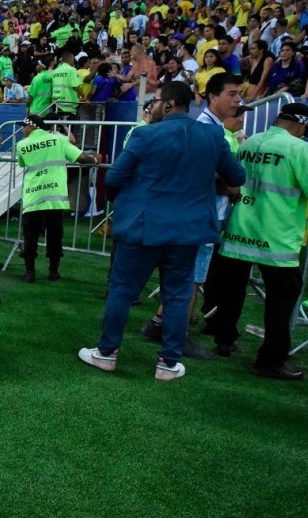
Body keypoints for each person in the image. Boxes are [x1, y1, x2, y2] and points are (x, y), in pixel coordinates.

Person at [78, 81, 245, 381]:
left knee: (122, 291)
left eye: (155, 101)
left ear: (168, 104)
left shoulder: (145, 134)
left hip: (142, 228)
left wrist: (125, 200)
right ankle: (168, 363)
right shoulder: (213, 135)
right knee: (177, 296)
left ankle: (107, 353)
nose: (152, 107)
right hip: (187, 232)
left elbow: (114, 178)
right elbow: (237, 176)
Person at [211, 104, 308, 380]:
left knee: (232, 291)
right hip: (276, 238)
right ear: (302, 126)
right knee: (281, 300)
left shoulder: (250, 143)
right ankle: (271, 359)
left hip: (240, 231)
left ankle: (224, 339)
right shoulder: (299, 148)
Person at [16, 114, 99, 283]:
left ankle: (29, 272)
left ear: (33, 127)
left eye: (24, 126)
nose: (22, 130)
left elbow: (23, 163)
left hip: (34, 197)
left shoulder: (22, 144)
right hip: (55, 197)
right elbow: (82, 158)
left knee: (30, 235)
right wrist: (95, 159)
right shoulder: (59, 140)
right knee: (54, 236)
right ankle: (53, 271)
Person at [51, 51, 82, 119]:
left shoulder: (55, 71)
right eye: (73, 59)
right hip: (69, 105)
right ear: (70, 59)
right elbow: (77, 86)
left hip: (56, 103)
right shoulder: (71, 70)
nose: (74, 61)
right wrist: (84, 97)